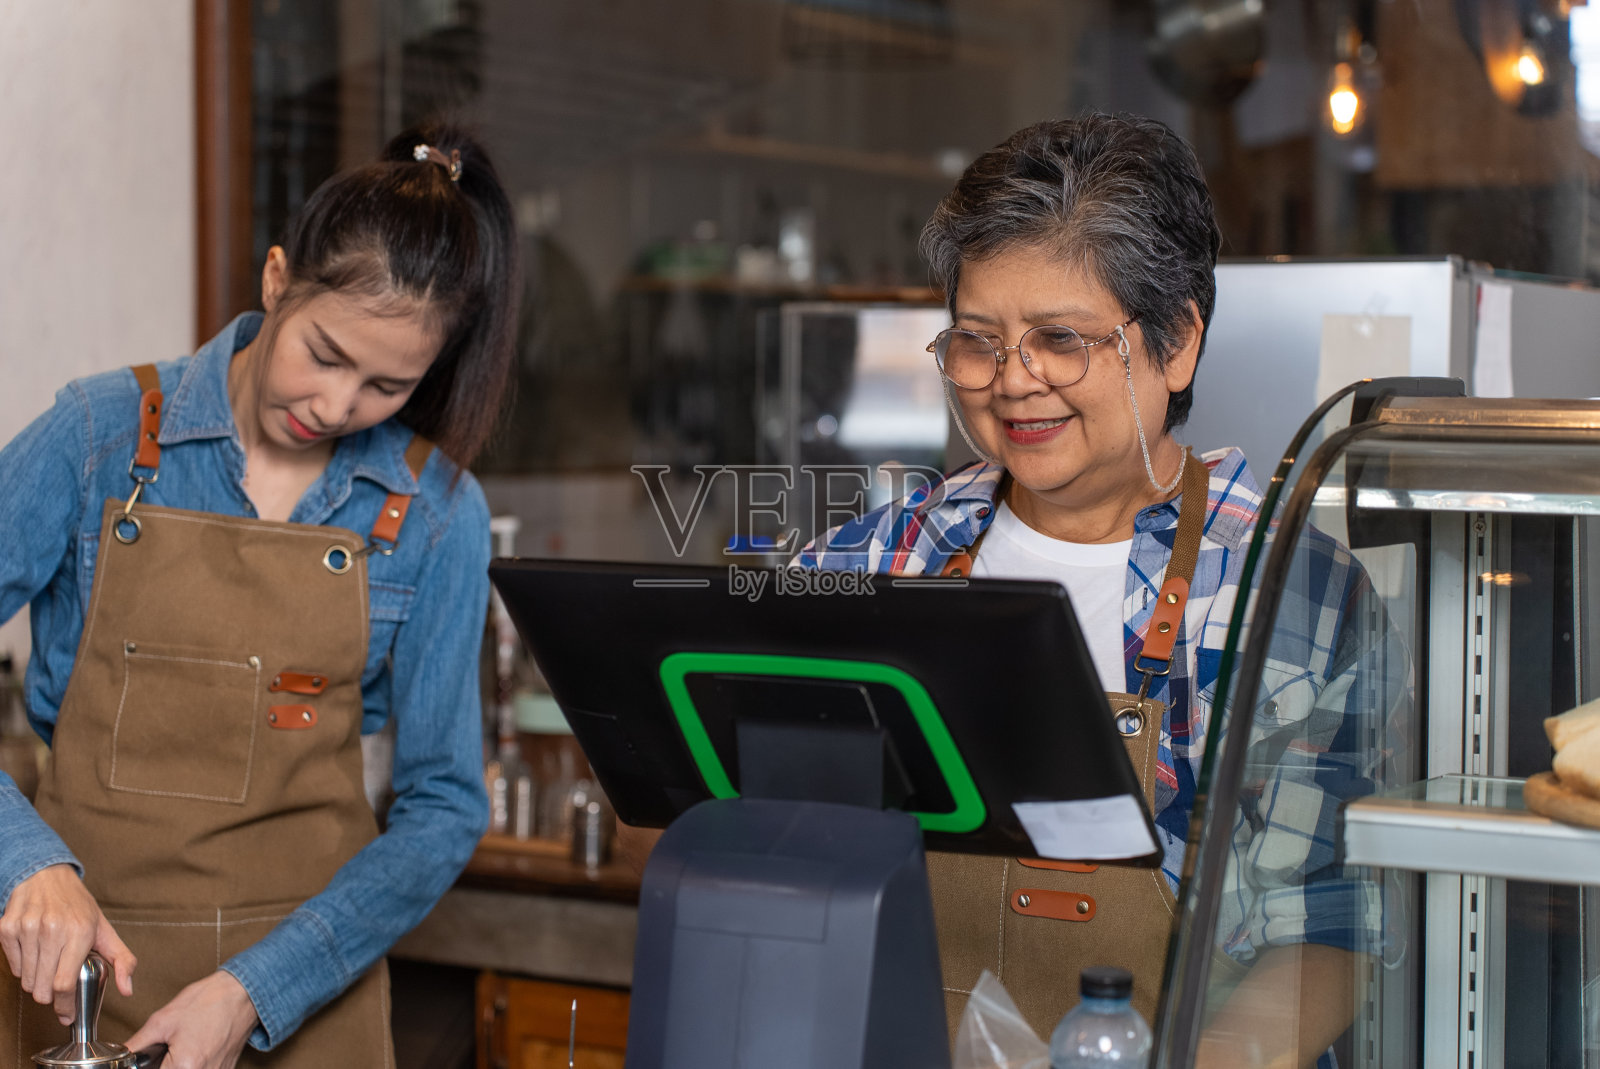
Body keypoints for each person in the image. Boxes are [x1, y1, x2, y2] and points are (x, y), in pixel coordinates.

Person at [795, 114, 1408, 1067]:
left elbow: (1327, 929)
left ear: (1176, 345)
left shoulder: (1290, 595)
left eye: (1060, 339)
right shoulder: (877, 559)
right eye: (978, 341)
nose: (1013, 383)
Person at [0, 121, 517, 1069]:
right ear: (278, 279)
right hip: (85, 986)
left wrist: (255, 991)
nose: (334, 405)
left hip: (309, 999)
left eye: (386, 386)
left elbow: (445, 805)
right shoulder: (98, 436)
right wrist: (24, 860)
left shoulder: (437, 512)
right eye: (323, 352)